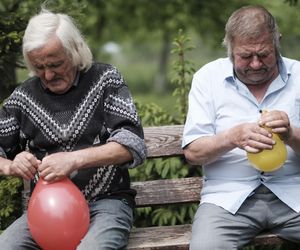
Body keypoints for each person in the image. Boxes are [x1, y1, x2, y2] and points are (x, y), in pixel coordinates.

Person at [0, 8, 146, 250]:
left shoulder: (105, 79)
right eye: (39, 67)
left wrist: (73, 160)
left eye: (56, 64)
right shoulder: (23, 97)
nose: (47, 74)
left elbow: (132, 144)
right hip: (46, 210)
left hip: (106, 204)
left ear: (75, 50)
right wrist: (10, 165)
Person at [182, 5, 300, 250]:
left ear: (277, 42)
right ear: (229, 48)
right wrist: (231, 138)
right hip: (227, 199)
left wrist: (290, 134)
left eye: (264, 54)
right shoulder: (208, 78)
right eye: (246, 56)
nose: (256, 64)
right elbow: (193, 153)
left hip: (294, 194)